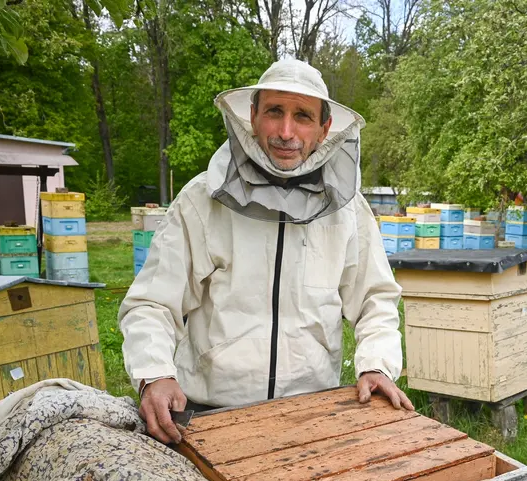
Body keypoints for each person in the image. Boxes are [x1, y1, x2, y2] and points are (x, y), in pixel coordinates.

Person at [118, 59, 412, 444]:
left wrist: (376, 365)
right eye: (275, 111)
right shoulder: (202, 201)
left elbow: (375, 298)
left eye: (302, 116)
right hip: (211, 413)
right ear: (252, 117)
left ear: (325, 129)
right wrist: (155, 374)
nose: (286, 131)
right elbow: (152, 303)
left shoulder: (348, 211)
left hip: (314, 411)